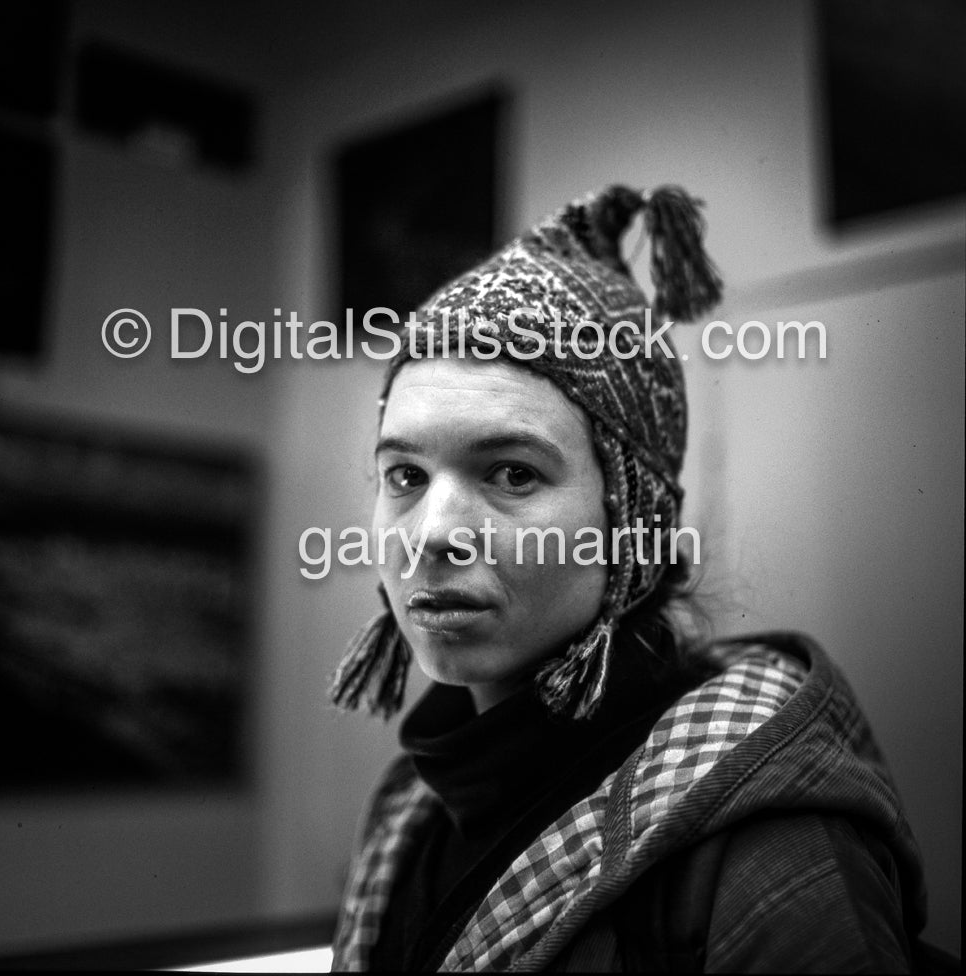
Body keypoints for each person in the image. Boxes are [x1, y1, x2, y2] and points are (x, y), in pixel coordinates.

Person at [327, 185, 932, 972]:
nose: (434, 533)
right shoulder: (409, 809)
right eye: (403, 474)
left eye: (512, 472)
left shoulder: (763, 840)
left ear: (632, 519)